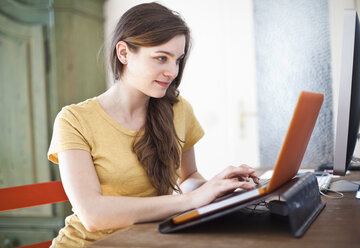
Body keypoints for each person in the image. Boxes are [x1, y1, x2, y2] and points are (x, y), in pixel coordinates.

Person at [47, 2, 259, 247]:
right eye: (161, 58)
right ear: (124, 53)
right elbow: (93, 215)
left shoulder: (178, 109)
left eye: (177, 60)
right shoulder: (73, 120)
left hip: (149, 240)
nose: (172, 71)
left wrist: (218, 189)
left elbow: (187, 177)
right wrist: (192, 200)